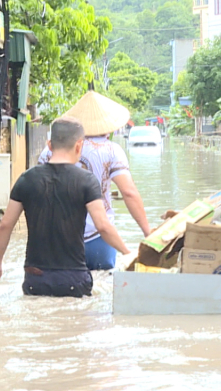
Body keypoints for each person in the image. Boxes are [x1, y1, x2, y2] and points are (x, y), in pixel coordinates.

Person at [0, 117, 131, 297]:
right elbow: (103, 226)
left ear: (49, 145)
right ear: (78, 146)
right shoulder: (86, 181)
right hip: (74, 281)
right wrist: (128, 253)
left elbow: (5, 225)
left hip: (34, 280)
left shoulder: (26, 178)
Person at [38, 91, 151, 270]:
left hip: (58, 240)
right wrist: (148, 233)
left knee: (61, 290)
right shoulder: (112, 150)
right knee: (101, 290)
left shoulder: (49, 151)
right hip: (99, 239)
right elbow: (128, 192)